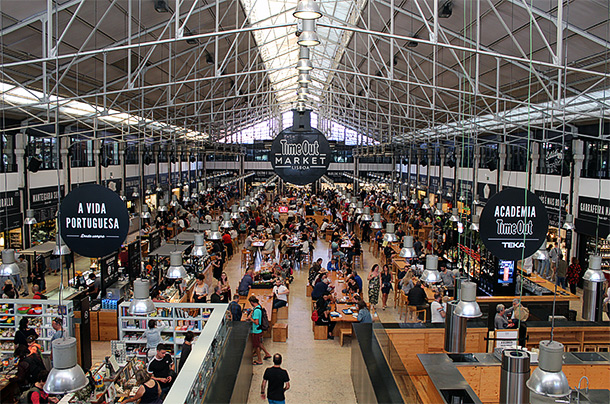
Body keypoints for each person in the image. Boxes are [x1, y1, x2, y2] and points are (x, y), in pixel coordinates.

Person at [247, 296, 271, 365]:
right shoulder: (259, 306)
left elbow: (256, 322)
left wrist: (250, 319)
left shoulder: (257, 311)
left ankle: (259, 360)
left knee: (257, 345)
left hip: (256, 331)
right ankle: (267, 353)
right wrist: (251, 312)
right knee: (260, 343)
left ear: (251, 302)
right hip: (259, 330)